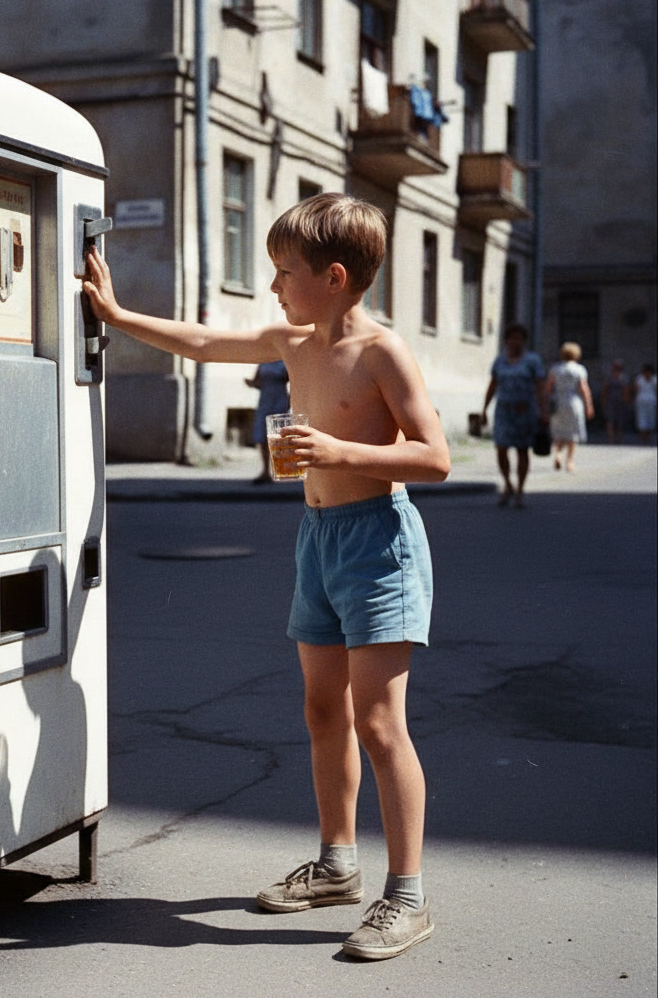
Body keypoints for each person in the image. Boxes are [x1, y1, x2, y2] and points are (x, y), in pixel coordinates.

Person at [83, 193, 450, 961]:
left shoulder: (382, 351)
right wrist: (118, 317)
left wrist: (340, 454)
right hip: (317, 538)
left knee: (380, 725)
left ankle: (407, 896)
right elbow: (207, 343)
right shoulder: (293, 337)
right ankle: (337, 864)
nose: (275, 285)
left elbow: (434, 456)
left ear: (337, 277)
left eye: (285, 272)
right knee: (324, 713)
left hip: (379, 544)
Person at [481, 323, 547, 508]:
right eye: (512, 338)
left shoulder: (532, 361)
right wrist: (484, 409)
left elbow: (541, 387)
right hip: (503, 410)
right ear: (506, 340)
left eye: (519, 338)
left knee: (522, 450)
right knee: (501, 448)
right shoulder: (500, 361)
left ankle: (519, 490)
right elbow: (493, 385)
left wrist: (544, 412)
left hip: (525, 411)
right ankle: (508, 485)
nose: (515, 341)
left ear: (524, 341)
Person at [545, 341, 594, 472]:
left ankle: (558, 455)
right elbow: (584, 388)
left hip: (558, 401)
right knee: (573, 433)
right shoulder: (579, 369)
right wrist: (589, 405)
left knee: (559, 430)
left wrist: (545, 403)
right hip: (573, 402)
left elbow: (548, 388)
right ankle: (570, 461)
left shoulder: (555, 369)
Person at [246, 359, 290, 483]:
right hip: (265, 399)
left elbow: (293, 380)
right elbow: (257, 381)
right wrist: (251, 383)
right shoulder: (263, 362)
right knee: (263, 435)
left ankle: (279, 469)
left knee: (277, 435)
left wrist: (290, 399)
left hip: (279, 398)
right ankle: (265, 471)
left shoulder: (284, 362)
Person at [600, 359, 629, 444]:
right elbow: (605, 390)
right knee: (610, 420)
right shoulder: (609, 378)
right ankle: (611, 438)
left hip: (620, 401)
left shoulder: (624, 377)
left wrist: (626, 401)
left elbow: (626, 390)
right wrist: (603, 401)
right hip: (610, 401)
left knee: (620, 420)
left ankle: (619, 438)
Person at [632, 363, 656, 445]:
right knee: (642, 420)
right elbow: (635, 389)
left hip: (651, 401)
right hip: (641, 401)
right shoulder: (640, 379)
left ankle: (648, 438)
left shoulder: (654, 379)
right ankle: (643, 439)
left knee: (650, 420)